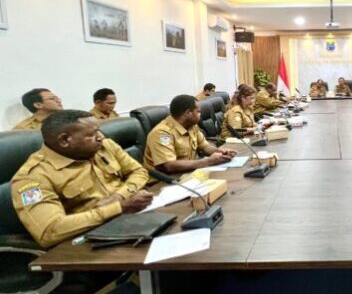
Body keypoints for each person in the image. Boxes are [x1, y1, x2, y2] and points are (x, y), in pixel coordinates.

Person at [11, 110, 153, 247]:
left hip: (130, 218)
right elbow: (50, 230)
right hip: (89, 239)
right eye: (92, 134)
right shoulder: (33, 177)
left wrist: (119, 196)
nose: (101, 137)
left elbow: (139, 171)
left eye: (99, 130)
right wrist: (119, 207)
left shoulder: (104, 146)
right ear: (64, 140)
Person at [144, 95, 236, 174]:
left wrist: (220, 152)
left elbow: (205, 146)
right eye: (198, 112)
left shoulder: (192, 126)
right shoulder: (162, 133)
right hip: (163, 182)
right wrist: (208, 161)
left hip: (187, 173)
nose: (201, 114)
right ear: (188, 113)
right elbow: (169, 165)